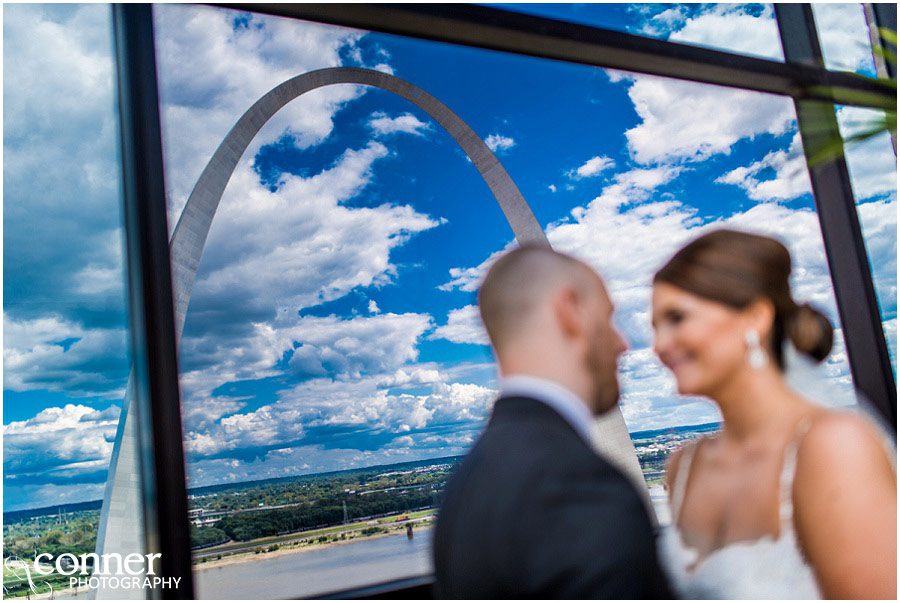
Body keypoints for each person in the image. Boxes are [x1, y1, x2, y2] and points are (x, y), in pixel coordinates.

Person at [651, 229, 896, 599]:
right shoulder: (683, 465)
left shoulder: (833, 446)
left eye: (677, 318)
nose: (660, 346)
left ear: (755, 317)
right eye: (654, 327)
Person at [432, 245, 673, 599]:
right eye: (608, 318)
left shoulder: (463, 488)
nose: (623, 344)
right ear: (571, 311)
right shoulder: (582, 486)